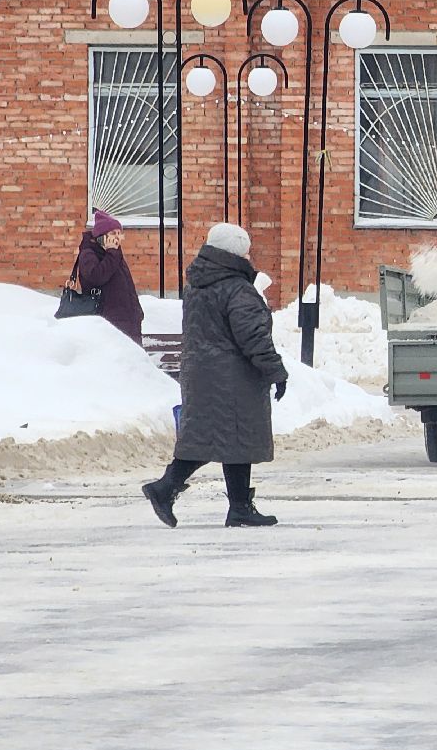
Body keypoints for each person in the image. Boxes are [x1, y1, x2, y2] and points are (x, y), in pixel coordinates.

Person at [141, 222, 289, 529]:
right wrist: (275, 371)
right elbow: (253, 336)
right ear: (234, 254)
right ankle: (165, 488)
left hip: (205, 373)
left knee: (226, 439)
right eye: (246, 251)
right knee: (219, 438)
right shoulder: (236, 288)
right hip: (232, 378)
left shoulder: (199, 283)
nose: (250, 256)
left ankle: (239, 507)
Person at [76, 209, 144, 344]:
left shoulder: (114, 254)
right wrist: (112, 253)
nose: (117, 237)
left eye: (119, 233)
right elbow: (96, 276)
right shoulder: (89, 254)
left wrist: (137, 313)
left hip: (128, 320)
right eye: (113, 233)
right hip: (109, 321)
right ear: (101, 236)